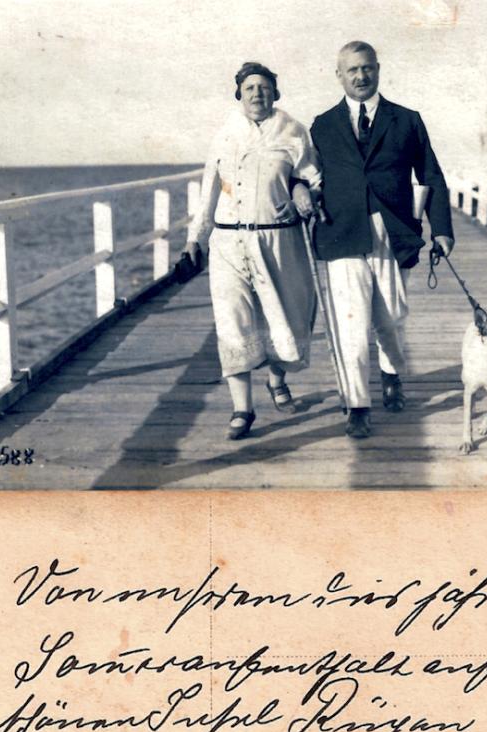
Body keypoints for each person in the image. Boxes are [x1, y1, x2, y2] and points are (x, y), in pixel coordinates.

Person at [309, 40, 455, 438]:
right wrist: (301, 192)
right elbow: (307, 173)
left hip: (392, 229)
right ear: (339, 75)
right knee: (351, 324)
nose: (360, 76)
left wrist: (442, 229)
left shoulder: (406, 120)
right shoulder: (322, 125)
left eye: (367, 68)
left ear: (378, 69)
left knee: (390, 317)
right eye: (352, 70)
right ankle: (358, 404)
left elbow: (431, 175)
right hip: (342, 232)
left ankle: (391, 373)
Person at [184, 62, 320, 440]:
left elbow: (312, 177)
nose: (257, 93)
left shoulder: (294, 132)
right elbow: (209, 190)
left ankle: (276, 379)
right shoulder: (225, 135)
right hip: (229, 243)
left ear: (275, 93)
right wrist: (195, 238)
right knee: (233, 322)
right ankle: (242, 409)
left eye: (264, 87)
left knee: (286, 317)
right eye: (249, 88)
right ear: (239, 95)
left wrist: (302, 194)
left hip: (280, 240)